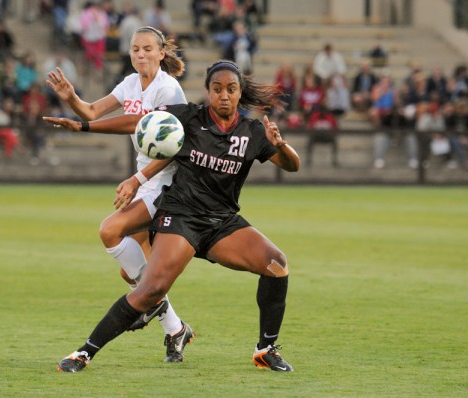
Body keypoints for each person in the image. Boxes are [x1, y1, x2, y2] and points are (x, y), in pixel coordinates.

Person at [43, 59, 300, 372]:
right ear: (207, 91)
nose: (223, 95)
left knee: (277, 265)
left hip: (222, 223)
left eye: (231, 89)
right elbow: (137, 122)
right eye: (216, 88)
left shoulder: (253, 132)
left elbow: (292, 165)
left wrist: (281, 146)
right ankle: (84, 353)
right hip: (181, 217)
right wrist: (84, 125)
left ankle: (265, 349)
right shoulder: (188, 118)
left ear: (239, 93)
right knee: (150, 291)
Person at [45, 26, 193, 363]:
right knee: (133, 271)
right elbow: (94, 111)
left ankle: (153, 307)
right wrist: (71, 99)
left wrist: (135, 178)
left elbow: (137, 126)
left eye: (146, 49)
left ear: (160, 53)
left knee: (110, 230)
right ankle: (175, 329)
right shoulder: (130, 83)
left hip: (167, 179)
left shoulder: (168, 88)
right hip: (146, 178)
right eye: (135, 49)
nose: (140, 54)